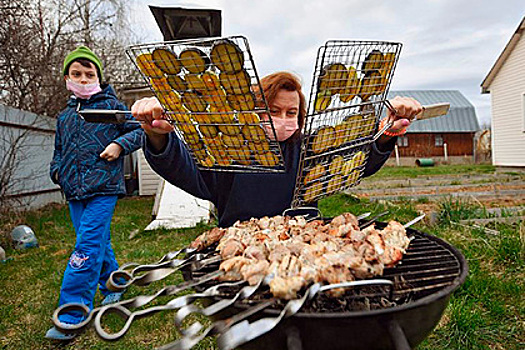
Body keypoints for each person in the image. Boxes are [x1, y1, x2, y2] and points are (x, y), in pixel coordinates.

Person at [132, 71, 421, 228]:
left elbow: (356, 161)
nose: (283, 120)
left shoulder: (309, 151)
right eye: (273, 110)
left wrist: (385, 134)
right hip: (241, 245)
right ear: (255, 112)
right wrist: (158, 138)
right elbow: (186, 169)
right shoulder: (231, 151)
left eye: (291, 112)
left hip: (306, 241)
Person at [46, 46, 143, 340]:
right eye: (77, 74)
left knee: (86, 247)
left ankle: (72, 313)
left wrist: (119, 145)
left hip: (103, 188)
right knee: (96, 240)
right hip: (74, 190)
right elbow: (59, 151)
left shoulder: (111, 107)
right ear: (66, 77)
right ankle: (114, 285)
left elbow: (139, 130)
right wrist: (57, 172)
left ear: (99, 77)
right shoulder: (65, 116)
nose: (84, 78)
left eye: (90, 74)